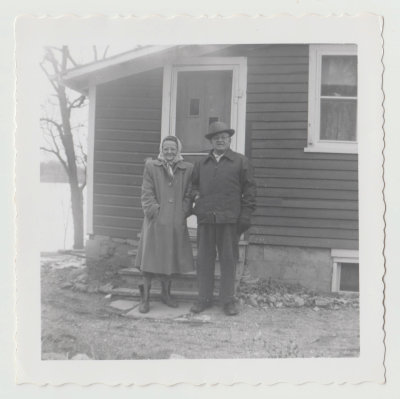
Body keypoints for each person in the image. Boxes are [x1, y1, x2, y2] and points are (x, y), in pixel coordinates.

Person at [190, 121, 256, 316]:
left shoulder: (241, 162)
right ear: (211, 141)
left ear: (229, 140)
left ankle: (228, 301)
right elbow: (193, 187)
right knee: (204, 260)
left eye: (224, 137)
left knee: (228, 260)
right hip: (206, 219)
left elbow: (250, 191)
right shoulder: (201, 164)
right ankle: (204, 298)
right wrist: (195, 197)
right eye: (216, 137)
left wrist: (245, 216)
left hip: (229, 220)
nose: (220, 140)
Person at [135, 136, 194, 313]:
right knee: (149, 260)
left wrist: (182, 211)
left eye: (172, 149)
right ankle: (144, 299)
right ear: (161, 149)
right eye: (166, 148)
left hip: (175, 222)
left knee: (169, 260)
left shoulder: (187, 169)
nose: (169, 152)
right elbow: (146, 191)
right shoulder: (152, 167)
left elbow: (190, 194)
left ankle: (165, 294)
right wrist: (154, 211)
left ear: (178, 150)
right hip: (155, 222)